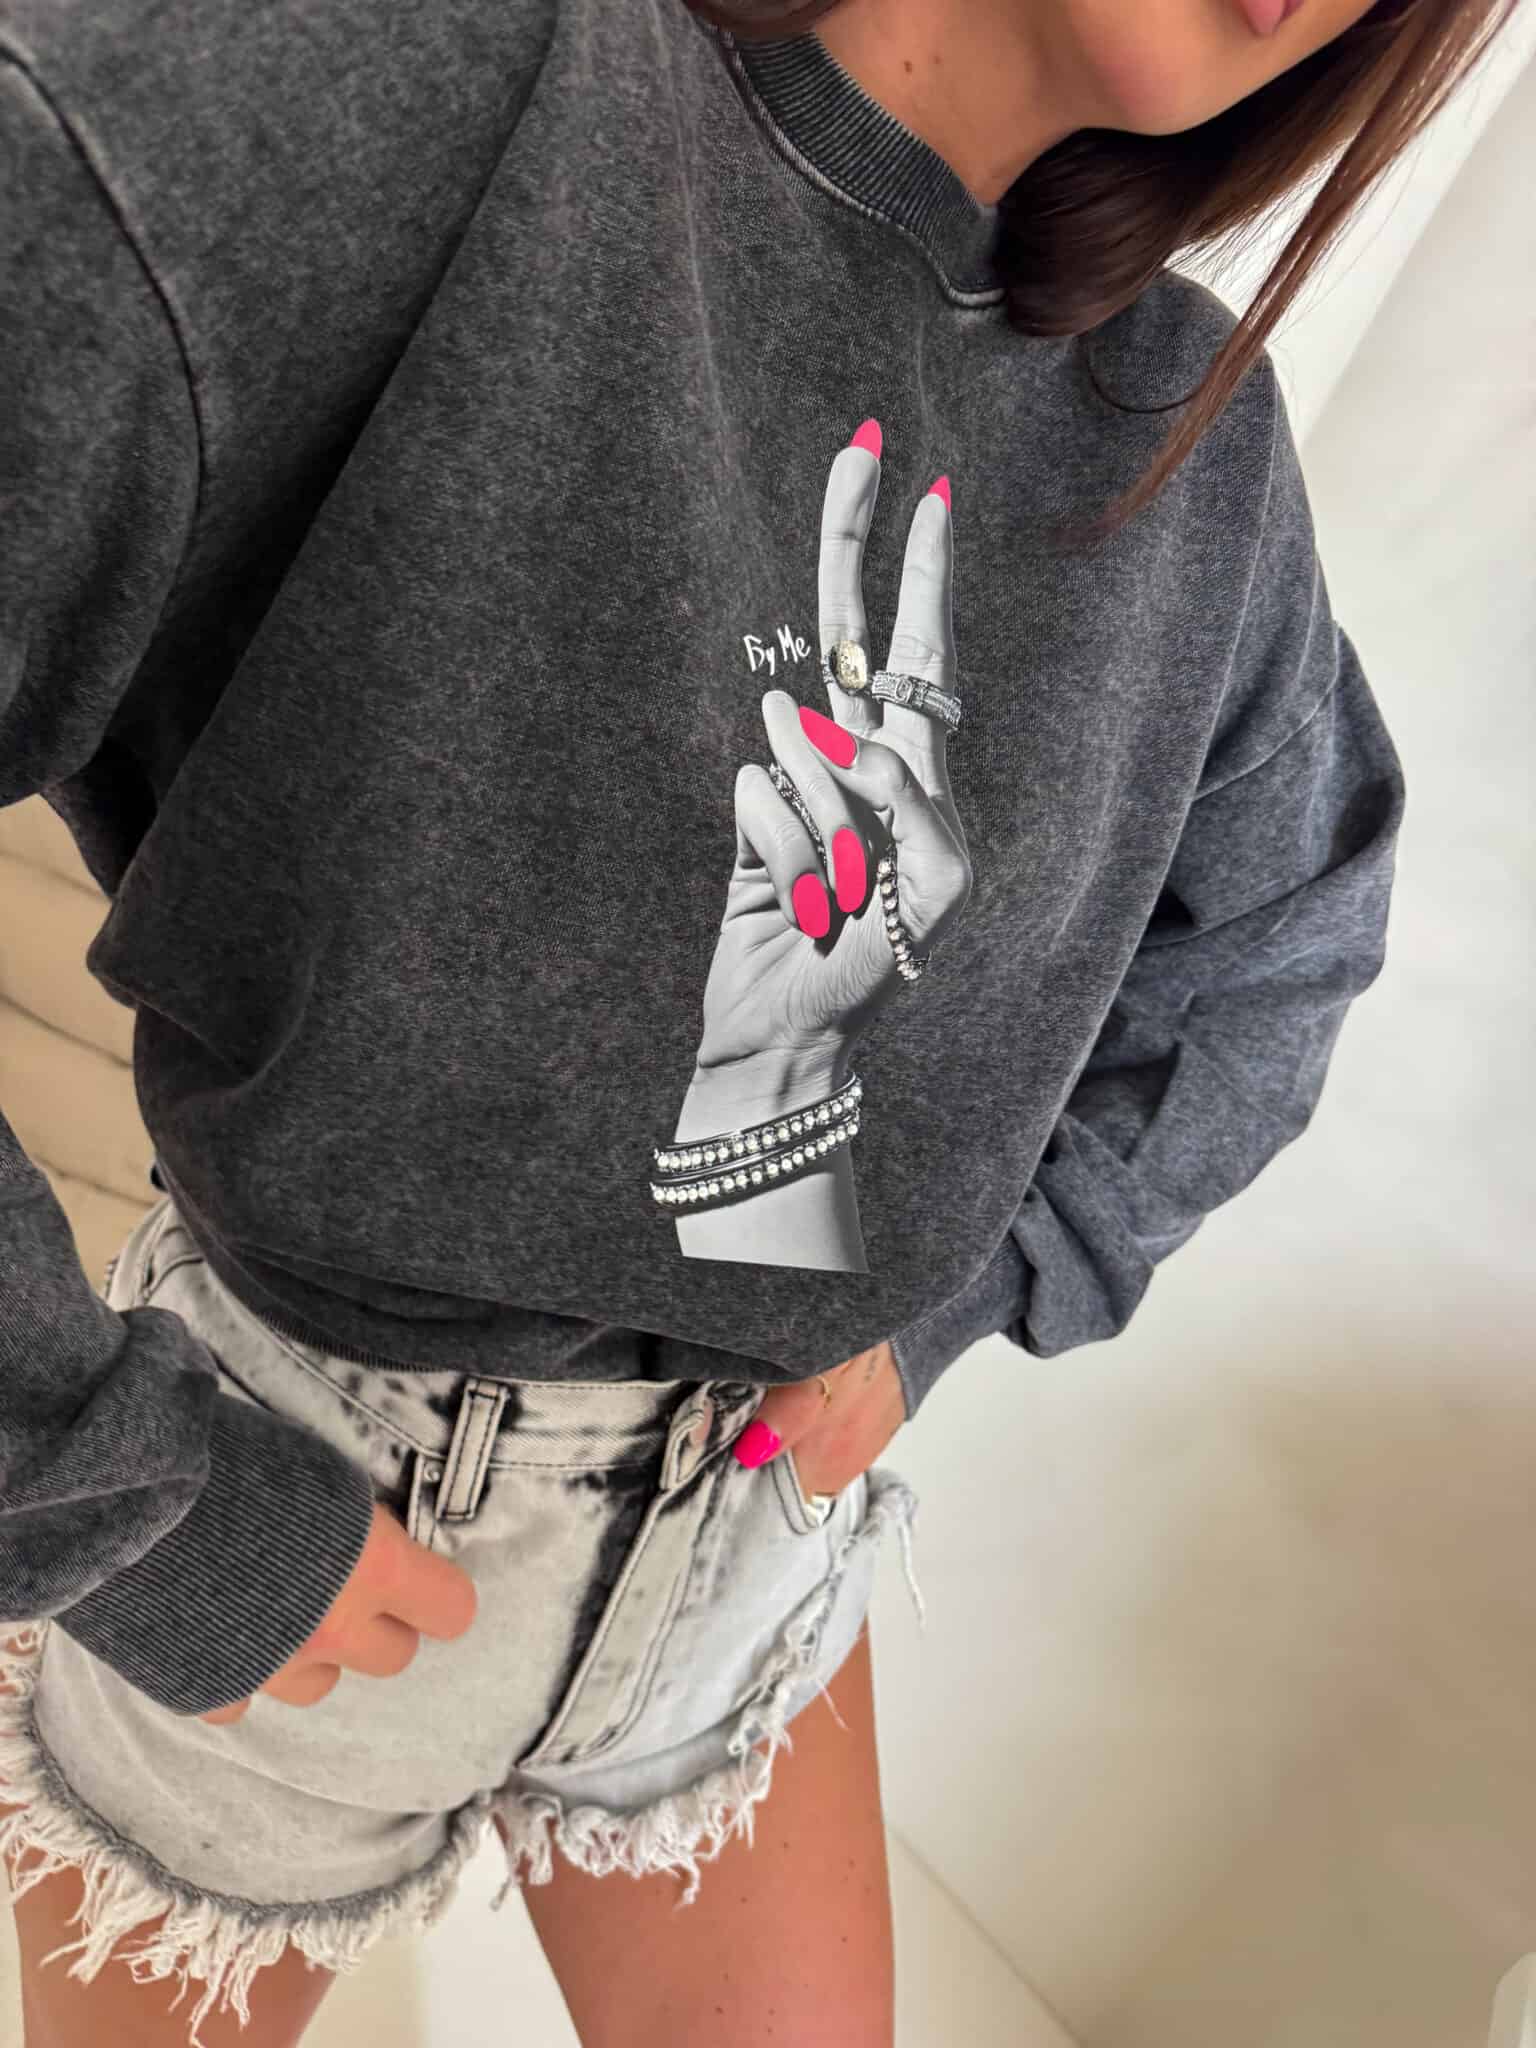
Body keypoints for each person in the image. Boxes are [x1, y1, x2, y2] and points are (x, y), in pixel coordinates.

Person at [0, 0, 1513, 2041]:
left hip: (752, 1549)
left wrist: (970, 1278)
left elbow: (1281, 938)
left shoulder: (1193, 446)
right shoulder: (428, 82)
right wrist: (113, 1500)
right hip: (292, 1482)